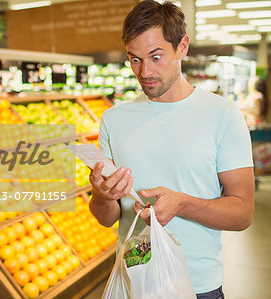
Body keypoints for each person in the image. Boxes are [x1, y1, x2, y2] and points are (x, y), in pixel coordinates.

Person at [88, 1, 254, 298]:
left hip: (197, 287)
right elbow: (106, 217)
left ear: (182, 47)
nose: (145, 71)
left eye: (155, 56)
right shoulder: (113, 119)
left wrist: (182, 204)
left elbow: (243, 213)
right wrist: (102, 195)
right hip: (133, 282)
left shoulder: (222, 114)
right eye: (134, 59)